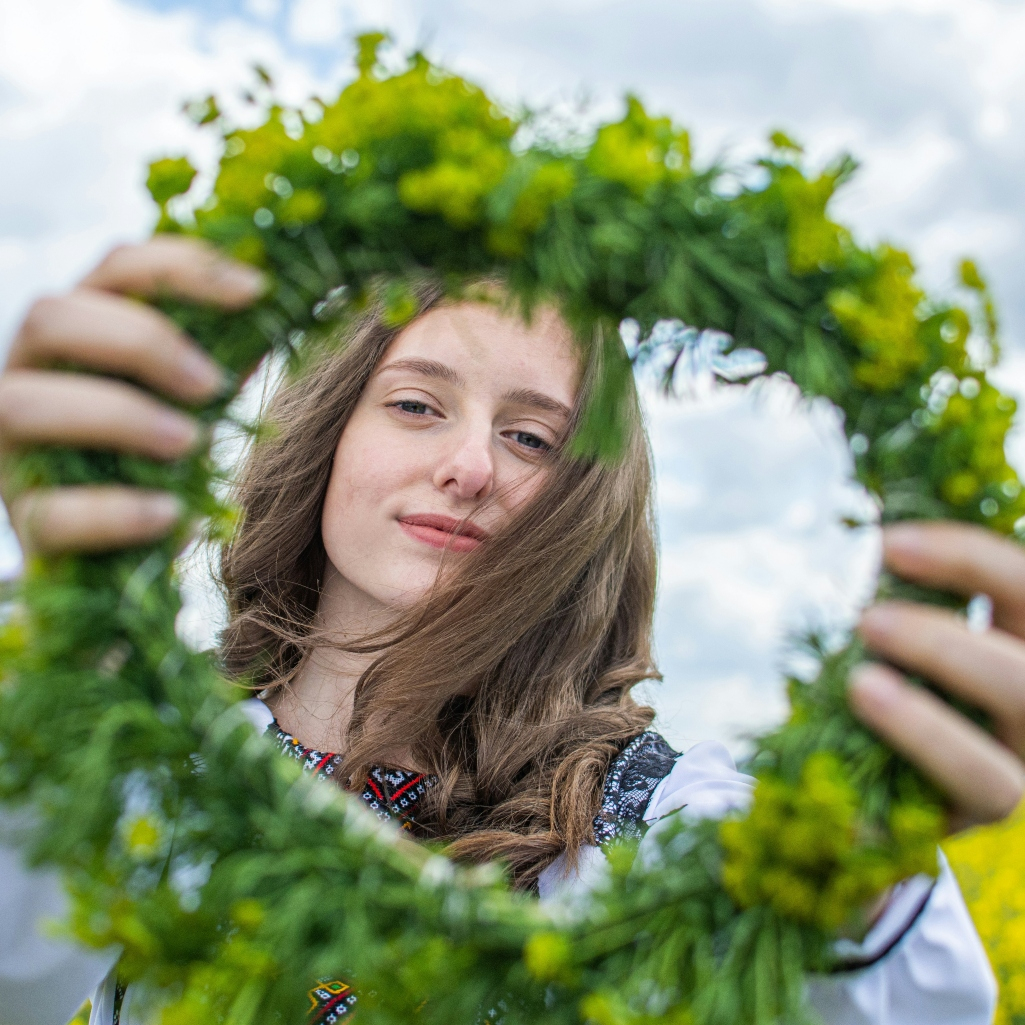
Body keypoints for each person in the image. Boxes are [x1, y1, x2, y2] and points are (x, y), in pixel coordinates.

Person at [0, 237, 1023, 1025]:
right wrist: (74, 628)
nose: (469, 467)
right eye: (415, 405)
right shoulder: (149, 752)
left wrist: (856, 871)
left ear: (584, 507)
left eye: (531, 437)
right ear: (327, 434)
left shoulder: (648, 820)